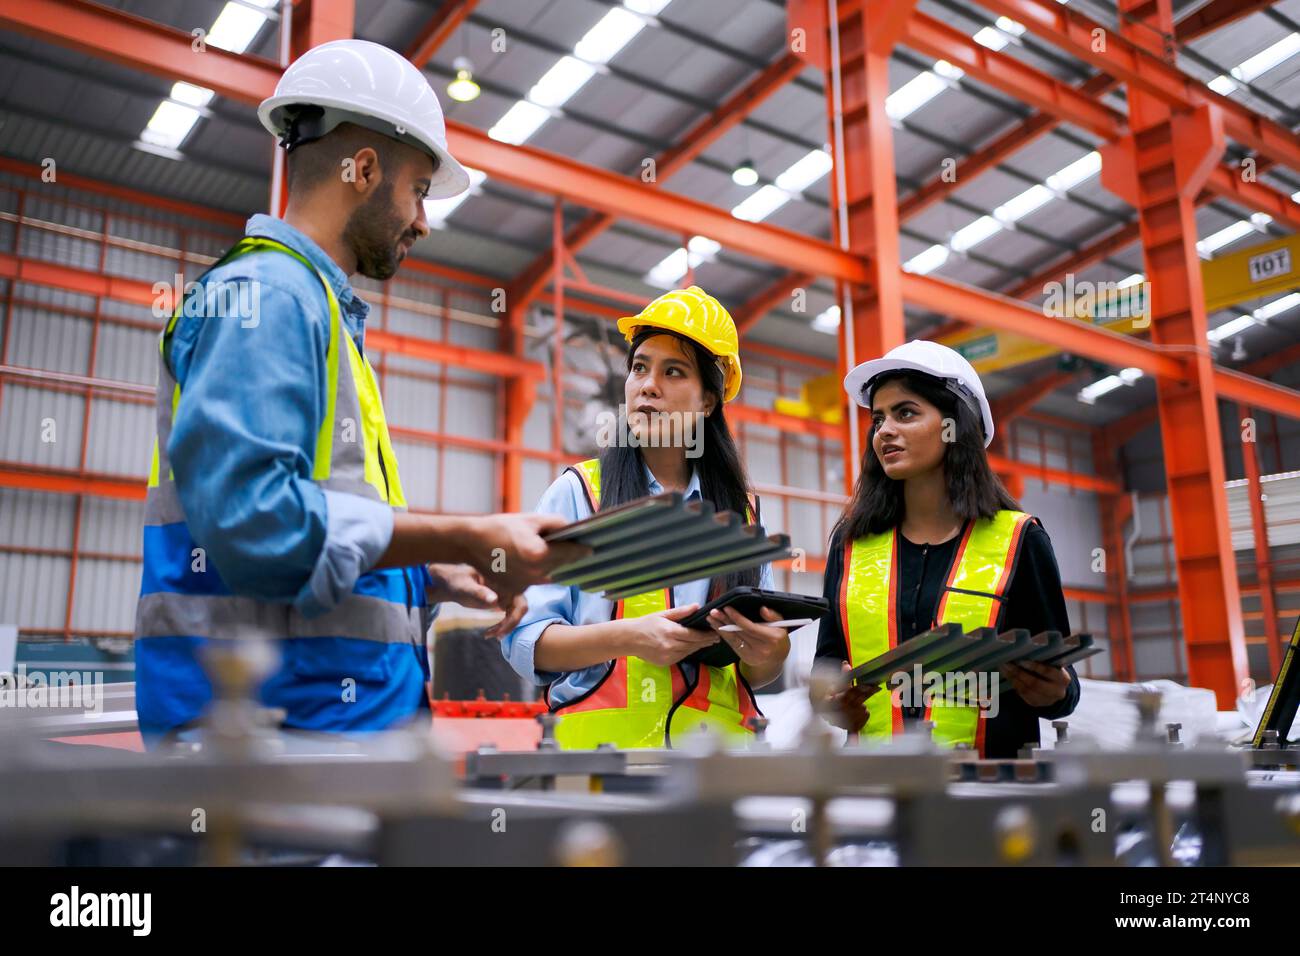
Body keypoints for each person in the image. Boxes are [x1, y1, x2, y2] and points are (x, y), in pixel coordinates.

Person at [133, 40, 584, 746]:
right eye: (419, 192)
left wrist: (430, 574)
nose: (423, 221)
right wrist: (466, 532)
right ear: (364, 169)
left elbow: (323, 538)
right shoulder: (268, 298)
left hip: (322, 737)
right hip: (270, 744)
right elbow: (254, 523)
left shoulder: (314, 312)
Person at [501, 287, 791, 749]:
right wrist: (628, 638)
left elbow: (756, 671)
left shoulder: (741, 516)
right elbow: (526, 643)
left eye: (673, 371)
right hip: (603, 763)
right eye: (639, 368)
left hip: (719, 766)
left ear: (707, 402)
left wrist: (772, 652)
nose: (647, 386)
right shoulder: (579, 495)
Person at [816, 340, 1080, 758]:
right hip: (876, 794)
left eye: (906, 413)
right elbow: (827, 669)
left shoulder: (1020, 541)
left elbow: (1062, 683)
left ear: (955, 425)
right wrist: (833, 703)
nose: (884, 430)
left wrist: (1056, 691)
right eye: (878, 418)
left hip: (992, 797)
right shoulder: (851, 546)